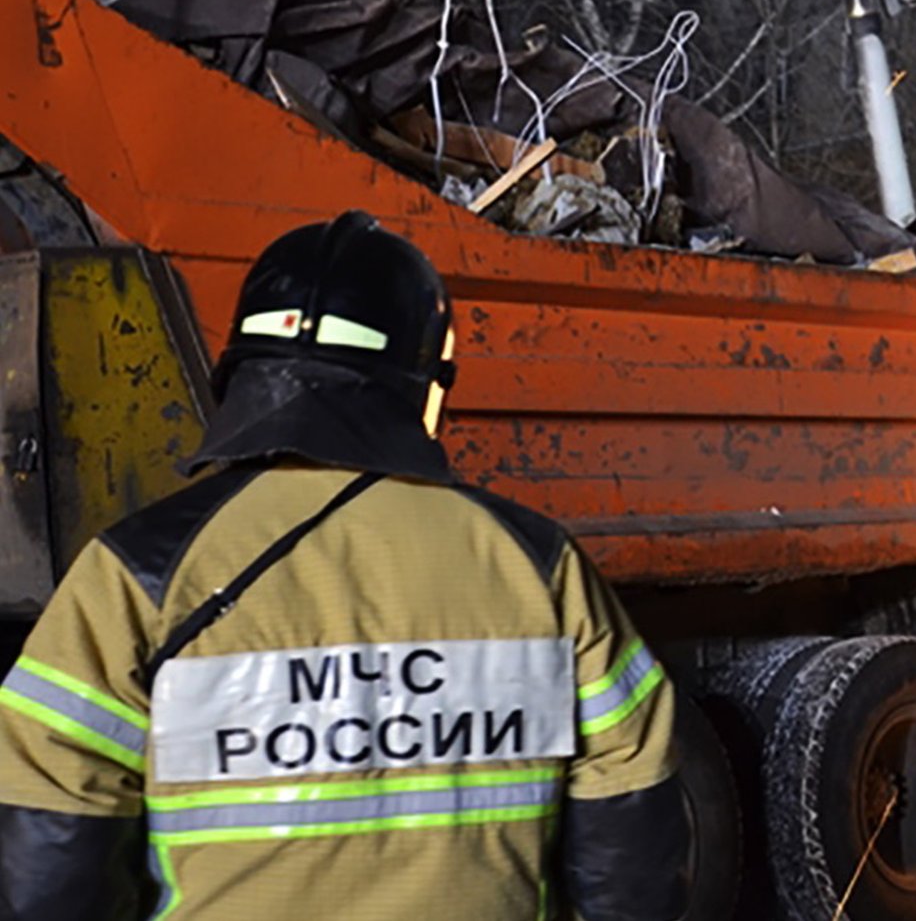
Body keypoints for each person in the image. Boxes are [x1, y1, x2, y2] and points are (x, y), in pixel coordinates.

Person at [0, 212, 689, 920]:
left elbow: (53, 854)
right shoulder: (538, 564)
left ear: (239, 371)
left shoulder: (136, 570)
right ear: (425, 384)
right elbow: (631, 833)